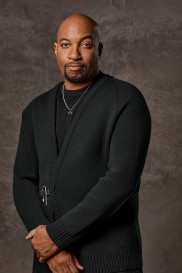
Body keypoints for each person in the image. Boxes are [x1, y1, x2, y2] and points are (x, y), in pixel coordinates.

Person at [13, 13, 151, 273]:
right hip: (49, 264)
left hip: (109, 264)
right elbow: (23, 180)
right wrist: (49, 247)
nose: (74, 54)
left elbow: (121, 181)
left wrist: (56, 236)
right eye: (66, 44)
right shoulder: (35, 110)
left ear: (98, 49)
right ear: (56, 50)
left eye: (85, 44)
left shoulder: (126, 100)